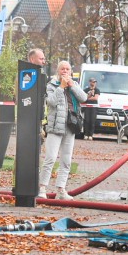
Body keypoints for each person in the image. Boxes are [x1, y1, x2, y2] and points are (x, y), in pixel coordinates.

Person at [41, 60, 87, 197]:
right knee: (50, 158)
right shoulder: (52, 85)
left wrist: (72, 86)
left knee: (66, 160)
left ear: (71, 72)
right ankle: (42, 188)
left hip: (70, 126)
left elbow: (83, 98)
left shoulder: (75, 84)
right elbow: (51, 102)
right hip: (55, 127)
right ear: (58, 71)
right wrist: (61, 87)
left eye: (67, 69)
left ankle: (61, 189)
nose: (65, 71)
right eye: (62, 69)